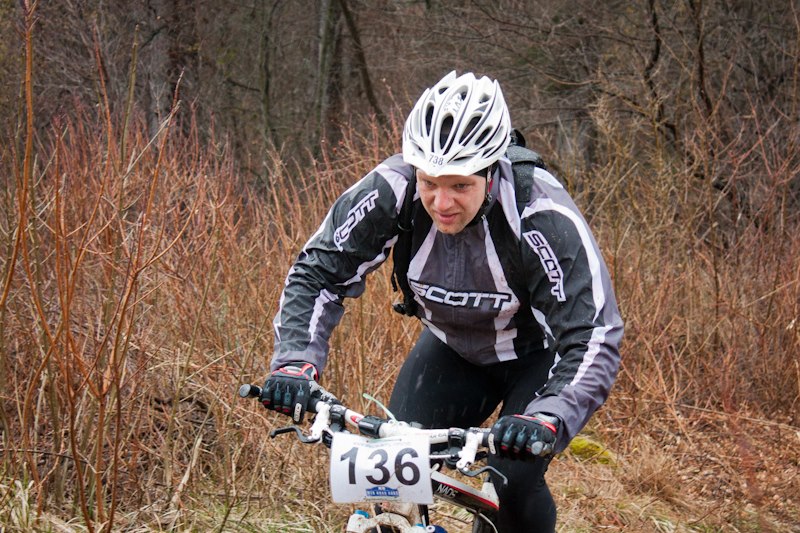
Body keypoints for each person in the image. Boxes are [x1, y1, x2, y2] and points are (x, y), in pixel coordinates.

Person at [260, 70, 623, 532]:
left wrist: (550, 415)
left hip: (538, 357)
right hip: (452, 350)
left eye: (460, 185)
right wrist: (294, 363)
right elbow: (316, 273)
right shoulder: (392, 190)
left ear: (491, 171)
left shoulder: (540, 213)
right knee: (392, 471)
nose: (441, 202)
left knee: (510, 479)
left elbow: (594, 332)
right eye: (430, 182)